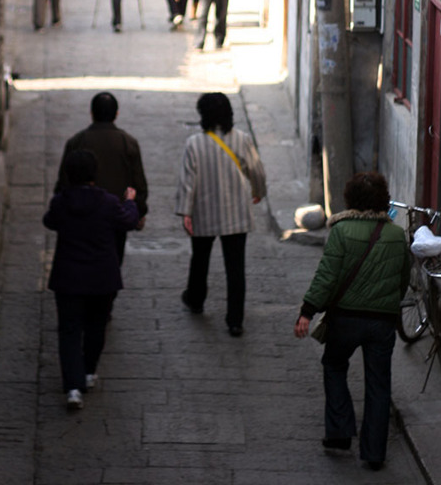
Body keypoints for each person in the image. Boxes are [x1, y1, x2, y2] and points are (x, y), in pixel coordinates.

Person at [294, 172, 411, 472]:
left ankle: (340, 432)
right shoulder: (397, 235)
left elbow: (327, 276)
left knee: (334, 365)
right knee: (379, 384)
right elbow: (402, 281)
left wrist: (308, 311)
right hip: (382, 323)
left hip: (345, 318)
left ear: (351, 199)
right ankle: (374, 453)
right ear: (384, 200)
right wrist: (388, 305)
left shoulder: (342, 231)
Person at [43, 149, 140, 410]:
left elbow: (49, 222)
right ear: (94, 175)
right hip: (102, 277)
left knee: (69, 330)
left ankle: (73, 388)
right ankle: (88, 372)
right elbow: (129, 221)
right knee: (96, 327)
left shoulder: (61, 202)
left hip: (69, 277)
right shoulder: (108, 203)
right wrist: (130, 200)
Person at [175, 92, 266, 337]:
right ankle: (234, 320)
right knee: (235, 268)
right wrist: (258, 191)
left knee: (200, 259)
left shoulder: (194, 143)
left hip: (203, 212)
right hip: (236, 213)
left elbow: (187, 182)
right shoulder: (242, 139)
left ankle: (195, 299)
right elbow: (257, 170)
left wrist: (185, 211)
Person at [56, 92, 148, 264]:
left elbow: (63, 182)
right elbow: (138, 184)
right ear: (116, 114)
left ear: (92, 113)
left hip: (78, 217)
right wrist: (138, 211)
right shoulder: (128, 142)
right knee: (111, 265)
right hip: (114, 219)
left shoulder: (76, 141)